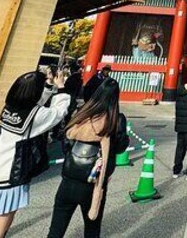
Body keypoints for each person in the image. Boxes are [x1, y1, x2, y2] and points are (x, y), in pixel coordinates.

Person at [0, 71, 71, 238]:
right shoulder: (36, 115)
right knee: (3, 214)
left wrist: (48, 86)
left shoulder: (11, 107)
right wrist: (61, 88)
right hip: (14, 171)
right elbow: (58, 112)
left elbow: (35, 105)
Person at [46, 78, 129, 238]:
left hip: (69, 179)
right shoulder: (116, 119)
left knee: (56, 230)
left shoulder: (81, 114)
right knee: (91, 229)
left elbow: (66, 145)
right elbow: (120, 148)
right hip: (94, 183)